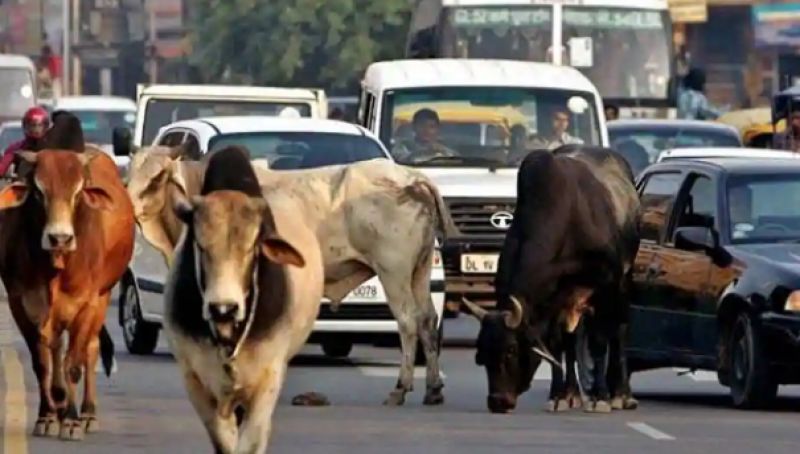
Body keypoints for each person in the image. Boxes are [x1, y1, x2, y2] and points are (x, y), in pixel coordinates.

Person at [0, 106, 51, 177]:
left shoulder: (54, 148)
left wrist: (39, 157)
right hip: (24, 186)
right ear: (26, 126)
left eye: (39, 125)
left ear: (46, 126)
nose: (36, 129)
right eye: (32, 125)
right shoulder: (16, 148)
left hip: (49, 186)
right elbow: (2, 167)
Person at [391, 108, 457, 163]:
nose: (426, 130)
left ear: (437, 129)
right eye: (422, 126)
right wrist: (423, 152)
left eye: (431, 127)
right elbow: (398, 163)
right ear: (414, 127)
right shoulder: (402, 146)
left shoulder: (446, 151)